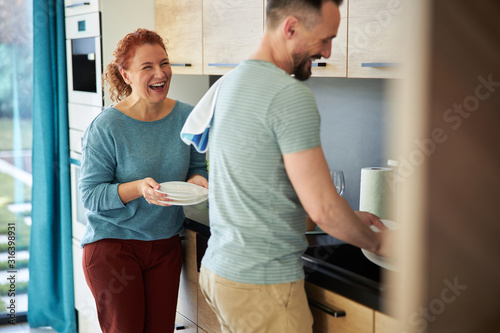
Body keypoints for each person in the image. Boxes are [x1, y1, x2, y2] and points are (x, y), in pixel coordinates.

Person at [197, 0, 392, 332]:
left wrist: (348, 219)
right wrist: (380, 244)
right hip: (263, 286)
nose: (329, 52)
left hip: (220, 271)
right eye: (325, 39)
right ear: (290, 28)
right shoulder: (289, 96)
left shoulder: (228, 84)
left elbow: (258, 185)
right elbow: (326, 210)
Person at [79, 28, 208, 333]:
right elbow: (90, 195)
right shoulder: (107, 126)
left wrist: (198, 181)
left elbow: (198, 165)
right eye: (147, 67)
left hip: (164, 245)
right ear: (126, 75)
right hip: (114, 246)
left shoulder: (188, 117)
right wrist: (138, 188)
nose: (160, 73)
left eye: (164, 63)